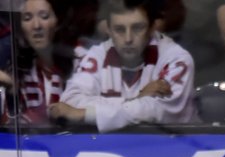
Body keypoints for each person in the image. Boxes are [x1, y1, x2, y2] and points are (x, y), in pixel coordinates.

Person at [51, 0, 197, 131]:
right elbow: (71, 101)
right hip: (115, 148)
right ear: (108, 29)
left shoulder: (177, 59)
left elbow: (155, 111)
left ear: (152, 27)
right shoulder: (97, 54)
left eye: (137, 28)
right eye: (119, 29)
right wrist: (136, 100)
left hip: (176, 148)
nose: (128, 39)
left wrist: (87, 113)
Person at [0, 0, 69, 125]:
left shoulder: (79, 62)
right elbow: (13, 129)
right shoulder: (18, 70)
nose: (36, 26)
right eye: (27, 18)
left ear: (58, 22)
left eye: (44, 16)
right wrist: (12, 91)